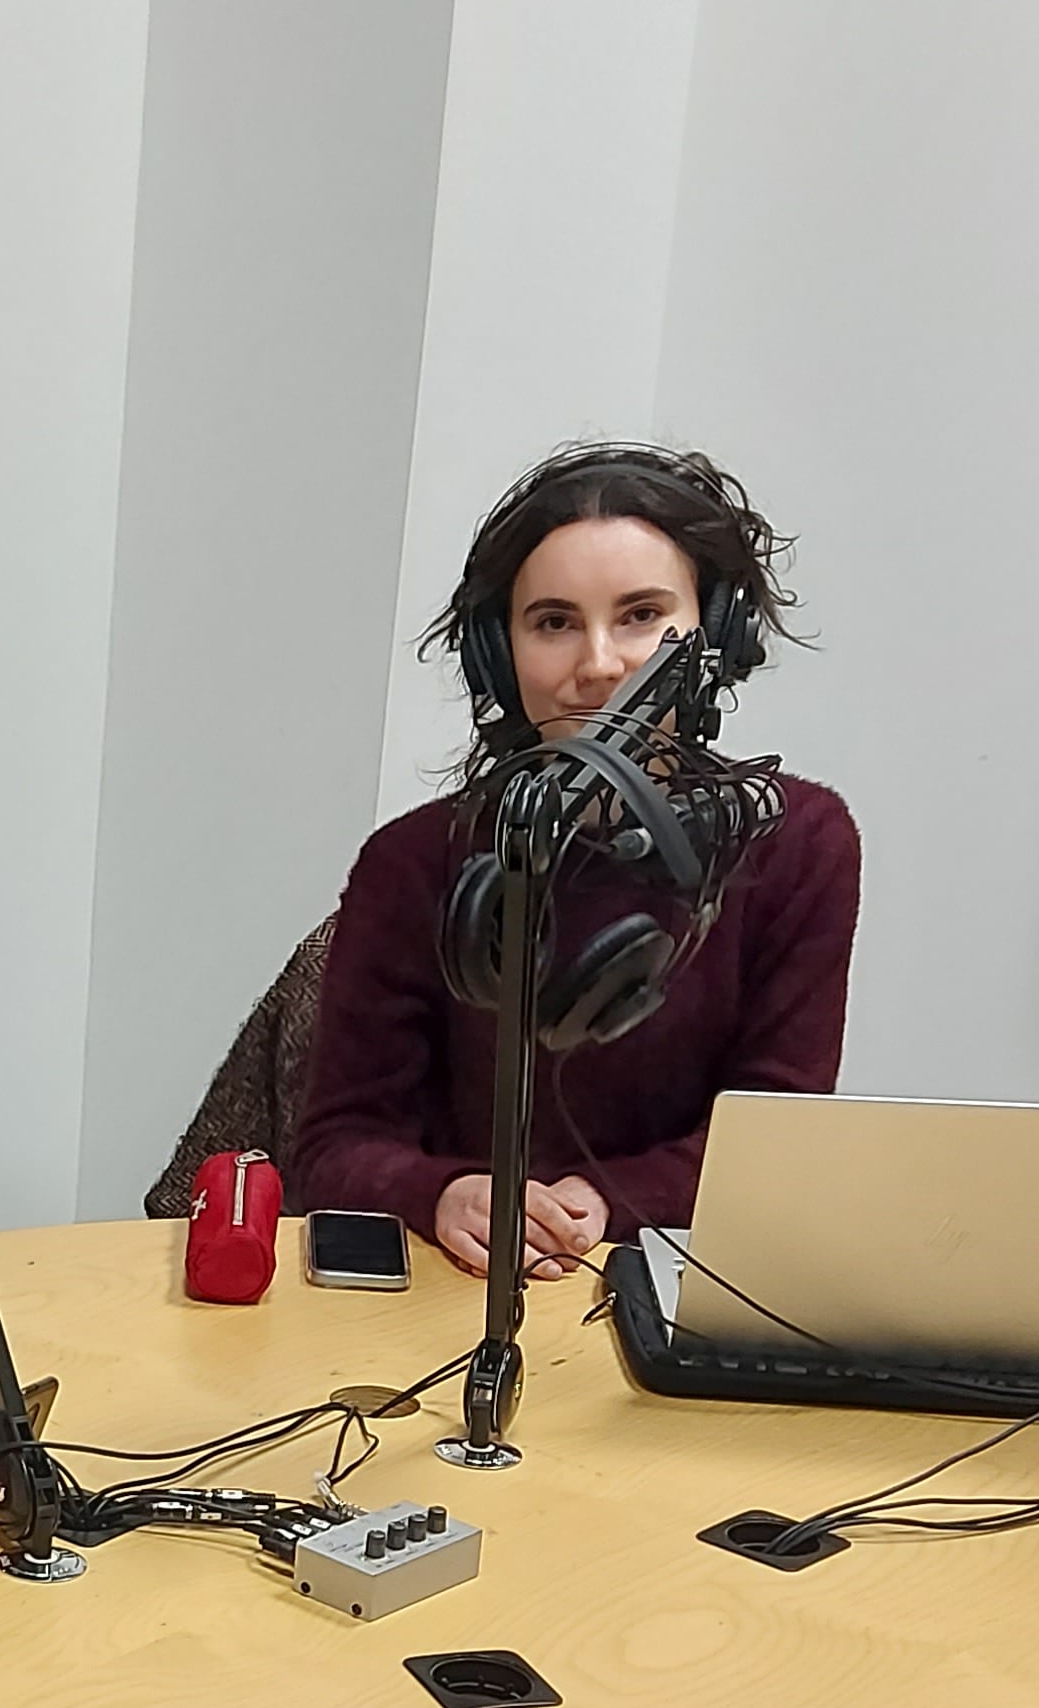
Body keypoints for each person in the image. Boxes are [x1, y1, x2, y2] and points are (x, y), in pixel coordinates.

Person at [288, 442, 860, 1275]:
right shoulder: (413, 861)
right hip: (457, 1289)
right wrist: (441, 1194)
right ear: (499, 655)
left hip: (669, 1279)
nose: (598, 666)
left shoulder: (801, 844)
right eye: (554, 623)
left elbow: (779, 1140)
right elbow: (336, 1149)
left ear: (716, 635)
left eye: (640, 616)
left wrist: (604, 1201)